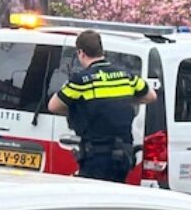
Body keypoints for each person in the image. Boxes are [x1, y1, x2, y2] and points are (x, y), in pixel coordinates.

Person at [46, 30, 158, 181]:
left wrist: (79, 107)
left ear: (81, 53)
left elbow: (53, 106)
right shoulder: (126, 75)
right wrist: (121, 101)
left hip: (96, 156)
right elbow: (151, 96)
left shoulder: (81, 81)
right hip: (123, 155)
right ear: (101, 51)